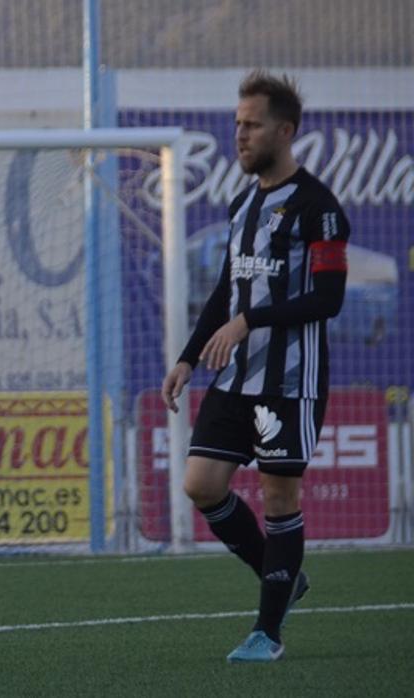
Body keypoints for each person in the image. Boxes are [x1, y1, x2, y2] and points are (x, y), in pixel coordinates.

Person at [161, 69, 349, 663]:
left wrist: (252, 321)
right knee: (201, 483)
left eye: (251, 125)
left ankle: (267, 633)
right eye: (237, 124)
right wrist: (189, 357)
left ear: (285, 130)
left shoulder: (319, 208)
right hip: (236, 376)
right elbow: (226, 289)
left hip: (289, 383)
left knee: (278, 496)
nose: (239, 135)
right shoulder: (243, 202)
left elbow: (329, 299)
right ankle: (281, 575)